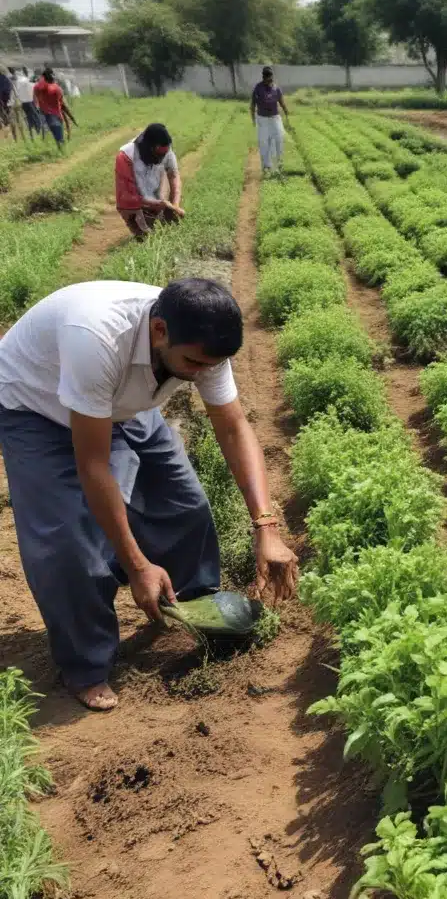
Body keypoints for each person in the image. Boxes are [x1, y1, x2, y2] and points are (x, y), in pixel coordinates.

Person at [0, 278, 299, 712]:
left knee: (184, 503)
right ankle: (85, 666)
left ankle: (191, 603)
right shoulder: (98, 338)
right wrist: (137, 563)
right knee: (68, 544)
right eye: (192, 363)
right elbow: (93, 465)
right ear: (159, 331)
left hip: (120, 399)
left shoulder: (202, 339)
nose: (200, 373)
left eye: (208, 366)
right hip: (36, 406)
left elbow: (233, 427)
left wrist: (266, 527)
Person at [115, 123, 185, 239]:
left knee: (165, 230)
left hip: (154, 193)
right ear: (149, 147)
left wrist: (175, 205)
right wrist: (159, 204)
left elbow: (173, 176)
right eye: (159, 154)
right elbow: (130, 197)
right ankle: (140, 226)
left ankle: (159, 214)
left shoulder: (165, 149)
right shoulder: (125, 157)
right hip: (133, 202)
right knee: (146, 237)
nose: (162, 157)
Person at [250, 66, 289, 174]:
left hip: (275, 118)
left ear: (272, 76)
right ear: (263, 77)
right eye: (267, 77)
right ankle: (266, 165)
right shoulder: (258, 88)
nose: (269, 79)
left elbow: (281, 102)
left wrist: (286, 111)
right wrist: (253, 118)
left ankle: (279, 163)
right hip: (262, 119)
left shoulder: (276, 88)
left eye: (270, 77)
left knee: (279, 138)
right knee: (264, 142)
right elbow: (253, 104)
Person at [33, 67, 70, 148]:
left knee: (54, 133)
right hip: (56, 115)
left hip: (44, 114)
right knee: (59, 137)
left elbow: (36, 99)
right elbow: (62, 102)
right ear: (52, 76)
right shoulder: (56, 88)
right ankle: (62, 152)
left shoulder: (37, 88)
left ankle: (54, 146)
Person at [13, 67, 41, 138]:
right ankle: (35, 131)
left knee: (31, 117)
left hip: (26, 102)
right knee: (33, 116)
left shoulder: (27, 83)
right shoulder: (29, 83)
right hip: (28, 101)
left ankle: (34, 132)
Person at [0, 69, 14, 140]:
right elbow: (10, 89)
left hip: (2, 101)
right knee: (6, 116)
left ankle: (6, 132)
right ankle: (7, 132)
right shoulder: (6, 79)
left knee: (4, 116)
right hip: (7, 101)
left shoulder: (4, 79)